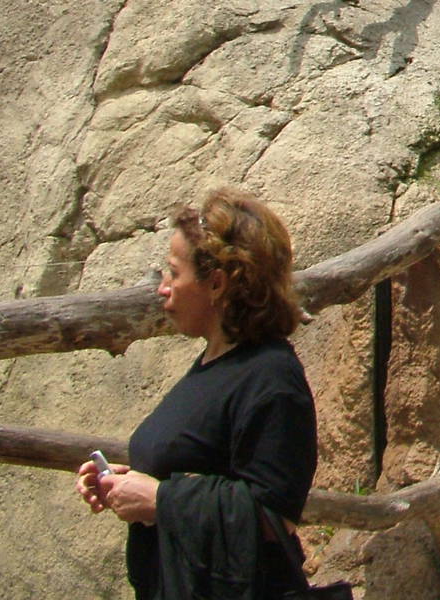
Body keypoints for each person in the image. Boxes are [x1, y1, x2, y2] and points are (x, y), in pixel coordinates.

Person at [76, 185, 318, 598]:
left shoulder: (272, 377)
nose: (162, 288)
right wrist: (125, 484)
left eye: (173, 272)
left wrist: (161, 500)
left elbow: (274, 514)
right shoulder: (211, 366)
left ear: (217, 283)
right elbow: (199, 467)